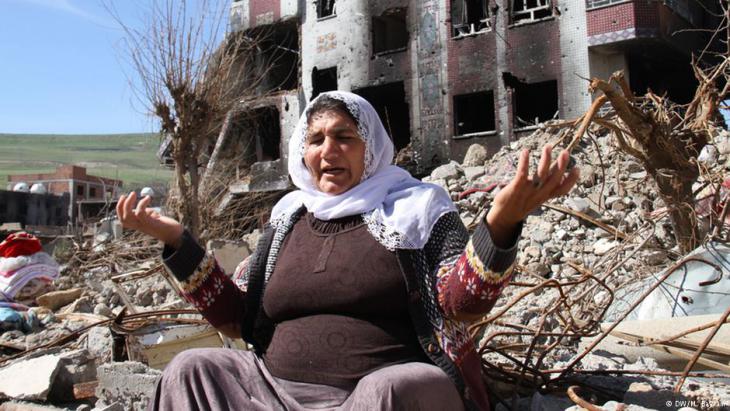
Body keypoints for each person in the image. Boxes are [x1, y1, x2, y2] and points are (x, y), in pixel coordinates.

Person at [116, 91, 579, 410]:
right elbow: (237, 316)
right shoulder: (287, 217)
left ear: (371, 149)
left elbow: (461, 304)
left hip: (374, 396)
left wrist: (500, 225)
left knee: (396, 388)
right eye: (315, 139)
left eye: (343, 137)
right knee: (192, 369)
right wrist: (178, 243)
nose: (328, 150)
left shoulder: (417, 208)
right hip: (272, 393)